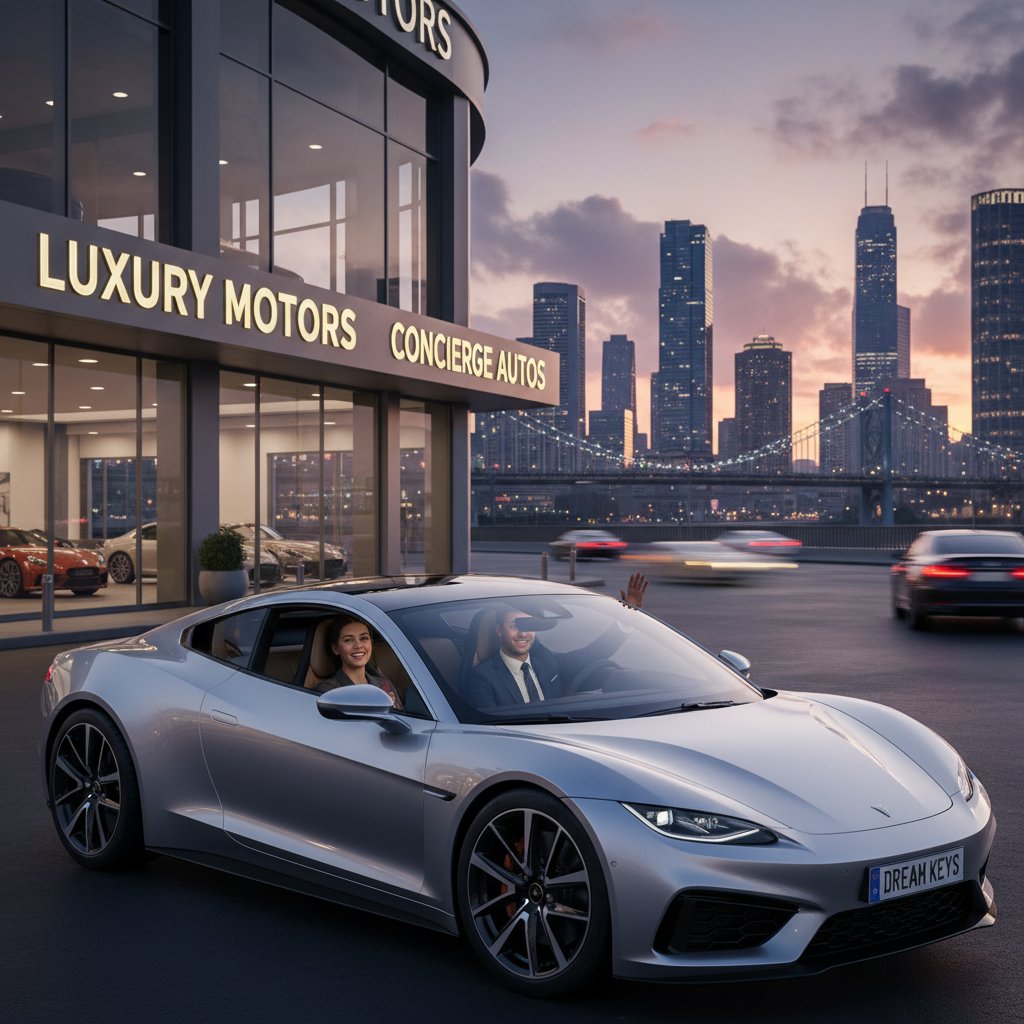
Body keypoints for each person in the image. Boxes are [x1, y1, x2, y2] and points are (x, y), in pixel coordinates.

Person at [466, 572, 647, 710]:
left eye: (529, 624)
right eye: (514, 624)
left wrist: (627, 618)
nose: (523, 633)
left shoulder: (546, 661)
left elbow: (594, 653)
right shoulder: (482, 678)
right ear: (499, 631)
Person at [315, 615, 403, 709]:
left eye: (364, 638)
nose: (358, 645)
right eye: (348, 640)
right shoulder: (329, 690)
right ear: (336, 648)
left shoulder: (385, 684)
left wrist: (394, 708)